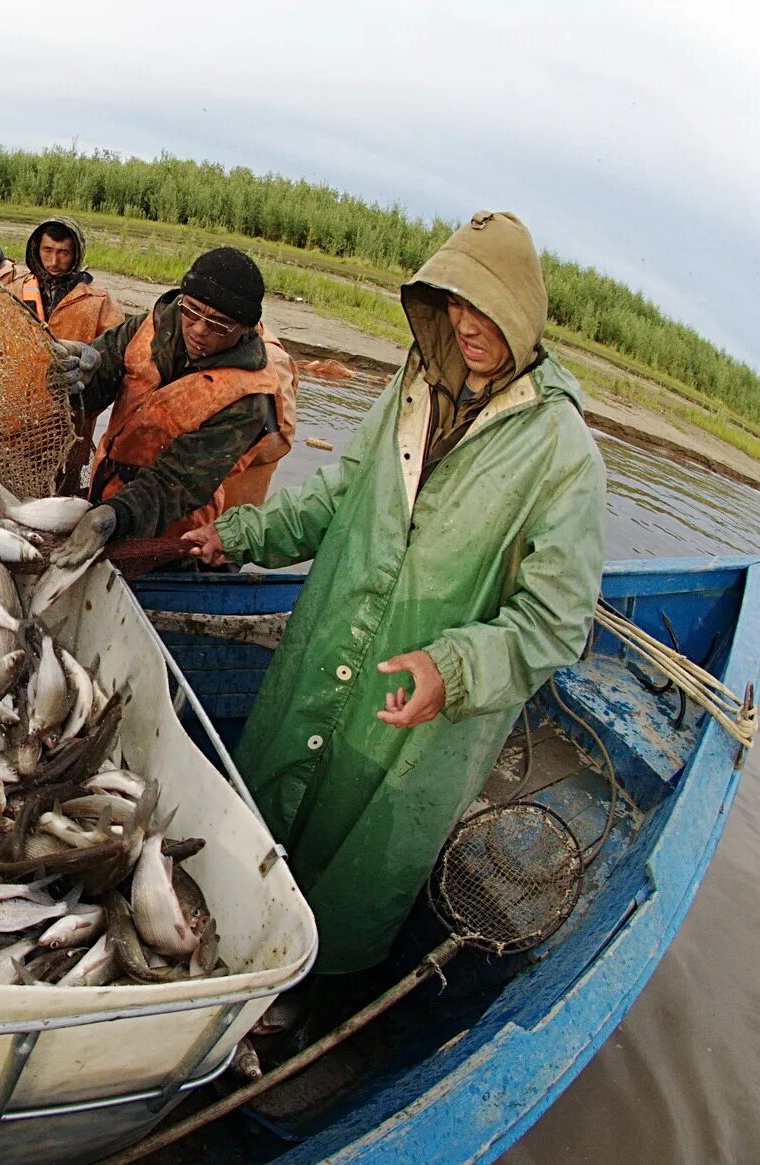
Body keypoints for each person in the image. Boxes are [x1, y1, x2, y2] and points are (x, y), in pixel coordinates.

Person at [182, 212, 607, 978]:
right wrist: (242, 535)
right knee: (261, 823)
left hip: (415, 722)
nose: (465, 323)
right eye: (452, 300)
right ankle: (223, 959)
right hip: (325, 654)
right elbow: (341, 495)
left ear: (522, 310)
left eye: (485, 306)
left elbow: (557, 622)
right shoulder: (412, 386)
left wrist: (456, 667)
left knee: (357, 873)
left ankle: (310, 999)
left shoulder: (560, 447)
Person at [46, 247, 296, 545]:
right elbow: (92, 390)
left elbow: (179, 483)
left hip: (176, 527)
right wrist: (68, 376)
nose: (199, 330)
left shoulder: (249, 398)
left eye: (218, 324)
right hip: (104, 489)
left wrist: (120, 514)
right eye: (191, 311)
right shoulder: (147, 327)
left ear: (244, 328)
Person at [13, 217, 125, 487]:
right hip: (18, 419)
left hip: (73, 419)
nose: (53, 261)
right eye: (47, 251)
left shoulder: (98, 300)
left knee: (64, 490)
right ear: (36, 251)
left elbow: (117, 358)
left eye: (63, 253)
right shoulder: (15, 290)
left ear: (75, 254)